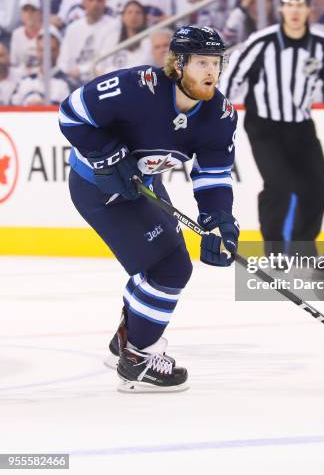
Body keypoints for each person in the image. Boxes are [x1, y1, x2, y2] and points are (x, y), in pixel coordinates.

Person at [58, 25, 239, 391]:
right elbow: (71, 114)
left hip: (144, 184)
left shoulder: (220, 115)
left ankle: (126, 341)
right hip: (98, 190)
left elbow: (214, 174)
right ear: (177, 63)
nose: (211, 72)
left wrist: (218, 220)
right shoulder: (134, 89)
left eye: (217, 63)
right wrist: (106, 154)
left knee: (166, 264)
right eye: (202, 62)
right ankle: (138, 359)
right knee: (171, 269)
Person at [219, 0, 324, 258]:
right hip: (264, 125)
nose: (294, 11)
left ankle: (303, 247)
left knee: (319, 188)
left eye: (300, 5)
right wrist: (217, 114)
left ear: (309, 9)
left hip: (301, 126)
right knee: (279, 185)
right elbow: (233, 76)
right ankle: (274, 250)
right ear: (281, 8)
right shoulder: (262, 42)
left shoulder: (322, 45)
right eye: (289, 5)